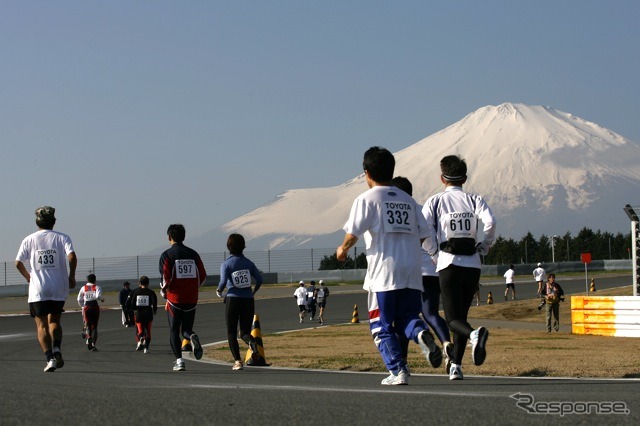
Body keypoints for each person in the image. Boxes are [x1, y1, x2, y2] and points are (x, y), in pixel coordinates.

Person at [337, 147, 441, 386]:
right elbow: (426, 237)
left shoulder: (367, 199)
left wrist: (342, 250)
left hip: (383, 274)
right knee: (407, 318)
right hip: (412, 272)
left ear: (367, 173)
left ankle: (398, 370)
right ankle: (421, 333)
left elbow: (353, 234)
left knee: (379, 325)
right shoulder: (408, 200)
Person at [422, 155, 496, 381]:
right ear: (464, 177)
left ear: (442, 178)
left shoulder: (435, 202)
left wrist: (434, 252)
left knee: (453, 319)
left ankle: (475, 335)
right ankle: (456, 365)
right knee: (461, 316)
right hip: (473, 264)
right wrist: (484, 246)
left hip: (449, 263)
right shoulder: (475, 200)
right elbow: (491, 223)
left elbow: (423, 230)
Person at [392, 175, 454, 373]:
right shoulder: (422, 209)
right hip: (433, 269)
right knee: (432, 313)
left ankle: (403, 361)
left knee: (403, 317)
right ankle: (446, 342)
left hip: (412, 271)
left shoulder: (394, 211)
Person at [15, 206, 77, 372]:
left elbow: (18, 263)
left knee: (41, 325)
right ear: (54, 221)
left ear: (37, 222)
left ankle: (50, 358)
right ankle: (57, 348)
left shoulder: (28, 240)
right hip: (58, 287)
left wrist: (29, 277)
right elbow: (72, 256)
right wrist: (72, 276)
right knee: (54, 321)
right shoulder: (63, 237)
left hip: (38, 289)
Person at [159, 224, 207, 371]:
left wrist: (164, 291)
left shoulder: (167, 255)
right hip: (192, 298)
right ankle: (192, 336)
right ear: (184, 237)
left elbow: (165, 278)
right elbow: (203, 276)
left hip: (175, 299)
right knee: (186, 329)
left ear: (169, 237)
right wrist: (193, 288)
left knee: (174, 330)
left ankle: (179, 361)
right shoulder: (194, 254)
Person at [217, 233, 263, 371]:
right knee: (244, 332)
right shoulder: (249, 263)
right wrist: (253, 292)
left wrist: (219, 291)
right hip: (248, 300)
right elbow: (260, 280)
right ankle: (252, 342)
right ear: (243, 246)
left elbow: (223, 282)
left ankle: (238, 361)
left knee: (231, 331)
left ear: (229, 246)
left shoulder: (226, 264)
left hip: (233, 298)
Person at [126, 275, 158, 353]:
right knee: (148, 332)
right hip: (148, 314)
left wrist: (134, 310)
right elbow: (154, 302)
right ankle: (146, 348)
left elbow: (132, 303)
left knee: (140, 331)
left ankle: (140, 338)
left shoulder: (136, 292)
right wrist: (154, 310)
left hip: (139, 314)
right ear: (148, 283)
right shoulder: (151, 292)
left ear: (140, 283)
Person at [77, 273, 104, 351]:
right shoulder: (97, 287)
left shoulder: (83, 288)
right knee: (94, 327)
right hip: (94, 307)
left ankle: (88, 337)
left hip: (86, 307)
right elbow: (98, 296)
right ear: (95, 280)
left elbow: (79, 299)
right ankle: (93, 344)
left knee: (88, 324)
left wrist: (82, 306)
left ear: (87, 280)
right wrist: (102, 299)